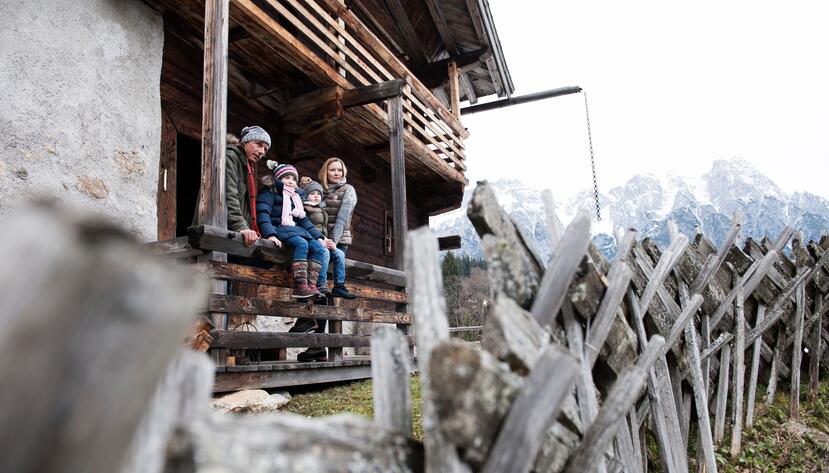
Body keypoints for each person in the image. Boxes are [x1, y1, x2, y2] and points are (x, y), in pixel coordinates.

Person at [256, 162, 326, 301]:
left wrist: (318, 236)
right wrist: (270, 234)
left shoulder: (296, 197)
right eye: (287, 177)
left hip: (295, 230)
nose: (291, 181)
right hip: (278, 228)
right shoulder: (270, 192)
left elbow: (303, 220)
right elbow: (263, 214)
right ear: (278, 179)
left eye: (294, 179)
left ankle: (311, 286)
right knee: (302, 244)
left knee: (318, 248)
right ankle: (300, 286)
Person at [300, 177, 355, 300]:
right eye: (312, 193)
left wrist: (328, 240)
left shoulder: (321, 209)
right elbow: (304, 226)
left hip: (322, 239)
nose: (316, 196)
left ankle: (339, 285)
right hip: (311, 240)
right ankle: (321, 284)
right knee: (325, 252)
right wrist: (319, 240)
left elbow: (323, 229)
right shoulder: (304, 209)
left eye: (318, 194)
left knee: (340, 254)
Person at [225, 126, 275, 247]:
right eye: (259, 144)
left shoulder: (248, 168)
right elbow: (228, 194)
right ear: (245, 142)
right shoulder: (230, 156)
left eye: (265, 149)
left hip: (236, 233)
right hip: (225, 230)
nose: (262, 151)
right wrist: (241, 226)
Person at [318, 157, 358, 298]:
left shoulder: (348, 190)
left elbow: (342, 219)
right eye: (332, 169)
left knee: (328, 274)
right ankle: (314, 320)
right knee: (318, 277)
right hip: (320, 238)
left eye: (340, 170)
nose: (336, 173)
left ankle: (339, 286)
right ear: (326, 172)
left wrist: (332, 242)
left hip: (339, 240)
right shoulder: (319, 190)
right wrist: (320, 238)